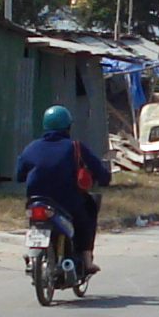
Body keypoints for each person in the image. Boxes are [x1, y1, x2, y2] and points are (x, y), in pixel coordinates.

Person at [15, 103, 113, 276]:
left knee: (33, 224)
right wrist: (104, 178)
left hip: (36, 202)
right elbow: (100, 173)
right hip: (67, 203)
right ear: (68, 126)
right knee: (86, 216)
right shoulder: (74, 147)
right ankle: (87, 260)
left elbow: (19, 175)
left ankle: (32, 256)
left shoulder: (31, 148)